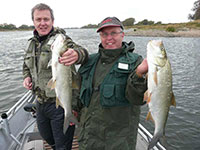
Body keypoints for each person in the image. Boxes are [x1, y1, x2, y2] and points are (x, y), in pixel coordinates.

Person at [76, 17, 148, 150]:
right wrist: (73, 110)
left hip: (118, 141)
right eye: (104, 34)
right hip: (88, 137)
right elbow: (77, 91)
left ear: (122, 35)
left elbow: (138, 99)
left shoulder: (136, 62)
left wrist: (139, 74)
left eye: (113, 33)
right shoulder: (89, 61)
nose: (109, 38)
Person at [22, 3, 88, 150]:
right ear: (33, 21)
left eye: (46, 19)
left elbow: (82, 52)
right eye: (38, 19)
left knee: (63, 145)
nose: (42, 23)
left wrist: (77, 54)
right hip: (40, 103)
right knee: (46, 136)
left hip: (59, 104)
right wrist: (26, 77)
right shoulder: (30, 44)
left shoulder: (62, 39)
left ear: (52, 21)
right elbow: (26, 65)